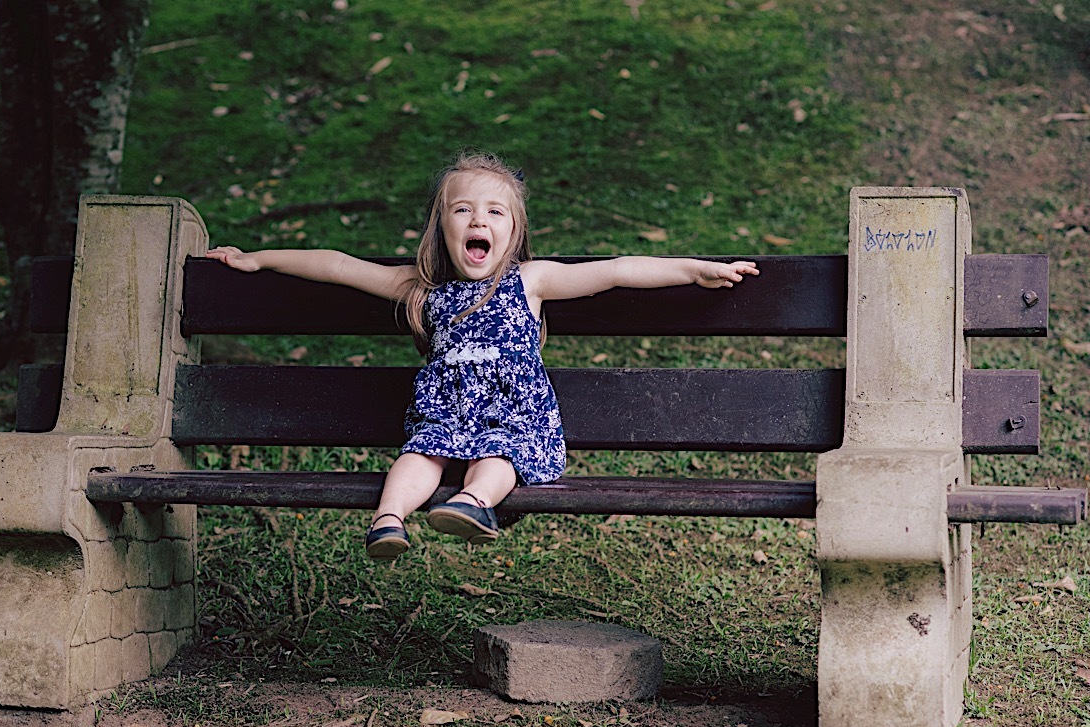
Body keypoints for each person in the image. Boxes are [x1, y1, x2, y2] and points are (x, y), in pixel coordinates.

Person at [204, 151, 759, 561]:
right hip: (445, 412)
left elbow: (615, 270)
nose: (478, 222)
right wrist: (258, 259)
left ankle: (471, 501)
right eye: (463, 210)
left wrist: (693, 269)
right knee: (421, 454)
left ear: (514, 232)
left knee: (498, 453)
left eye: (495, 212)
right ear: (440, 227)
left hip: (512, 413)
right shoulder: (420, 287)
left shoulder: (530, 281)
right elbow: (336, 264)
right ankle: (389, 519)